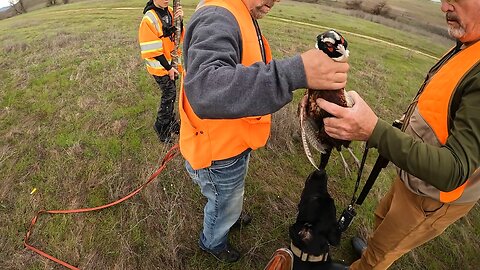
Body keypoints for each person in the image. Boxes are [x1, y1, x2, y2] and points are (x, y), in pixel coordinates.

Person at [179, 0, 350, 263]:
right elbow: (205, 88)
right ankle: (212, 241)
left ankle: (230, 216)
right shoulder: (218, 16)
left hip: (233, 142)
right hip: (218, 153)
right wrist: (295, 73)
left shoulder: (242, 13)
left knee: (231, 198)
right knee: (222, 202)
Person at [317, 0, 480, 269]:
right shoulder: (469, 44)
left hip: (432, 197)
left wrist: (374, 131)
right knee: (384, 217)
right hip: (413, 173)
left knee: (384, 252)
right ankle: (372, 246)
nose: (444, 7)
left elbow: (454, 171)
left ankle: (367, 262)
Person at [138, 0, 184, 143]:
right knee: (169, 94)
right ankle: (161, 126)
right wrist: (169, 68)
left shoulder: (170, 10)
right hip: (160, 66)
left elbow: (177, 34)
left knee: (171, 93)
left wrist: (180, 21)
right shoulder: (149, 19)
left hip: (172, 63)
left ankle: (170, 121)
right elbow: (152, 50)